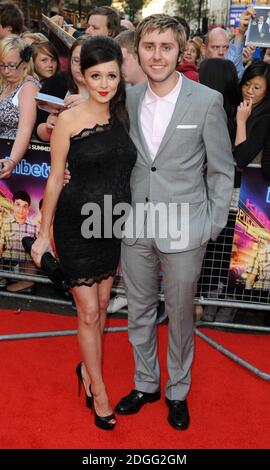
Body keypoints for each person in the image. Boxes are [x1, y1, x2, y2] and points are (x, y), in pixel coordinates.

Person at [114, 14, 234, 431]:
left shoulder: (205, 101)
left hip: (187, 226)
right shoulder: (126, 99)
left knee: (181, 314)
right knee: (139, 311)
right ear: (139, 51)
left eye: (166, 47)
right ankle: (146, 383)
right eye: (149, 47)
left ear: (180, 51)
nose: (157, 55)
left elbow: (222, 170)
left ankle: (177, 390)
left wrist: (212, 225)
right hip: (135, 224)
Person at [31, 36, 137, 430]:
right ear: (84, 76)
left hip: (110, 223)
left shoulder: (124, 114)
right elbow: (56, 178)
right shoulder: (69, 119)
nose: (104, 83)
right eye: (96, 75)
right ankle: (99, 389)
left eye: (111, 75)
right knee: (89, 311)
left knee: (103, 308)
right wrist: (44, 235)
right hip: (75, 223)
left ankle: (85, 369)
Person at [0, 36, 40, 179]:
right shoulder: (4, 84)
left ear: (24, 63)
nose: (6, 70)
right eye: (2, 64)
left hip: (18, 165)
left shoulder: (28, 86)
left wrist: (12, 161)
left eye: (11, 65)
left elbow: (25, 129)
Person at [0, 190, 38, 293]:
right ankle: (7, 280)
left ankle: (23, 284)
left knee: (30, 265)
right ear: (13, 205)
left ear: (28, 209)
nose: (21, 209)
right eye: (18, 204)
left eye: (25, 206)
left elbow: (39, 249)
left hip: (26, 266)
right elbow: (0, 245)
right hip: (8, 263)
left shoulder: (34, 226)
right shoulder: (5, 223)